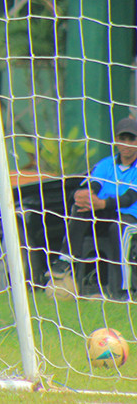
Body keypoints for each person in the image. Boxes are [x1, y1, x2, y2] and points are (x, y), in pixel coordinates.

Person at [47, 117, 137, 300]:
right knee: (80, 208)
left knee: (119, 228)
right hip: (104, 213)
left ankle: (123, 291)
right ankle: (66, 260)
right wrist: (84, 195)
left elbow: (130, 198)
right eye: (123, 139)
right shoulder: (106, 164)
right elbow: (93, 184)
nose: (126, 144)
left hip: (130, 218)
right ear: (116, 140)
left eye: (132, 139)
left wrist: (102, 203)